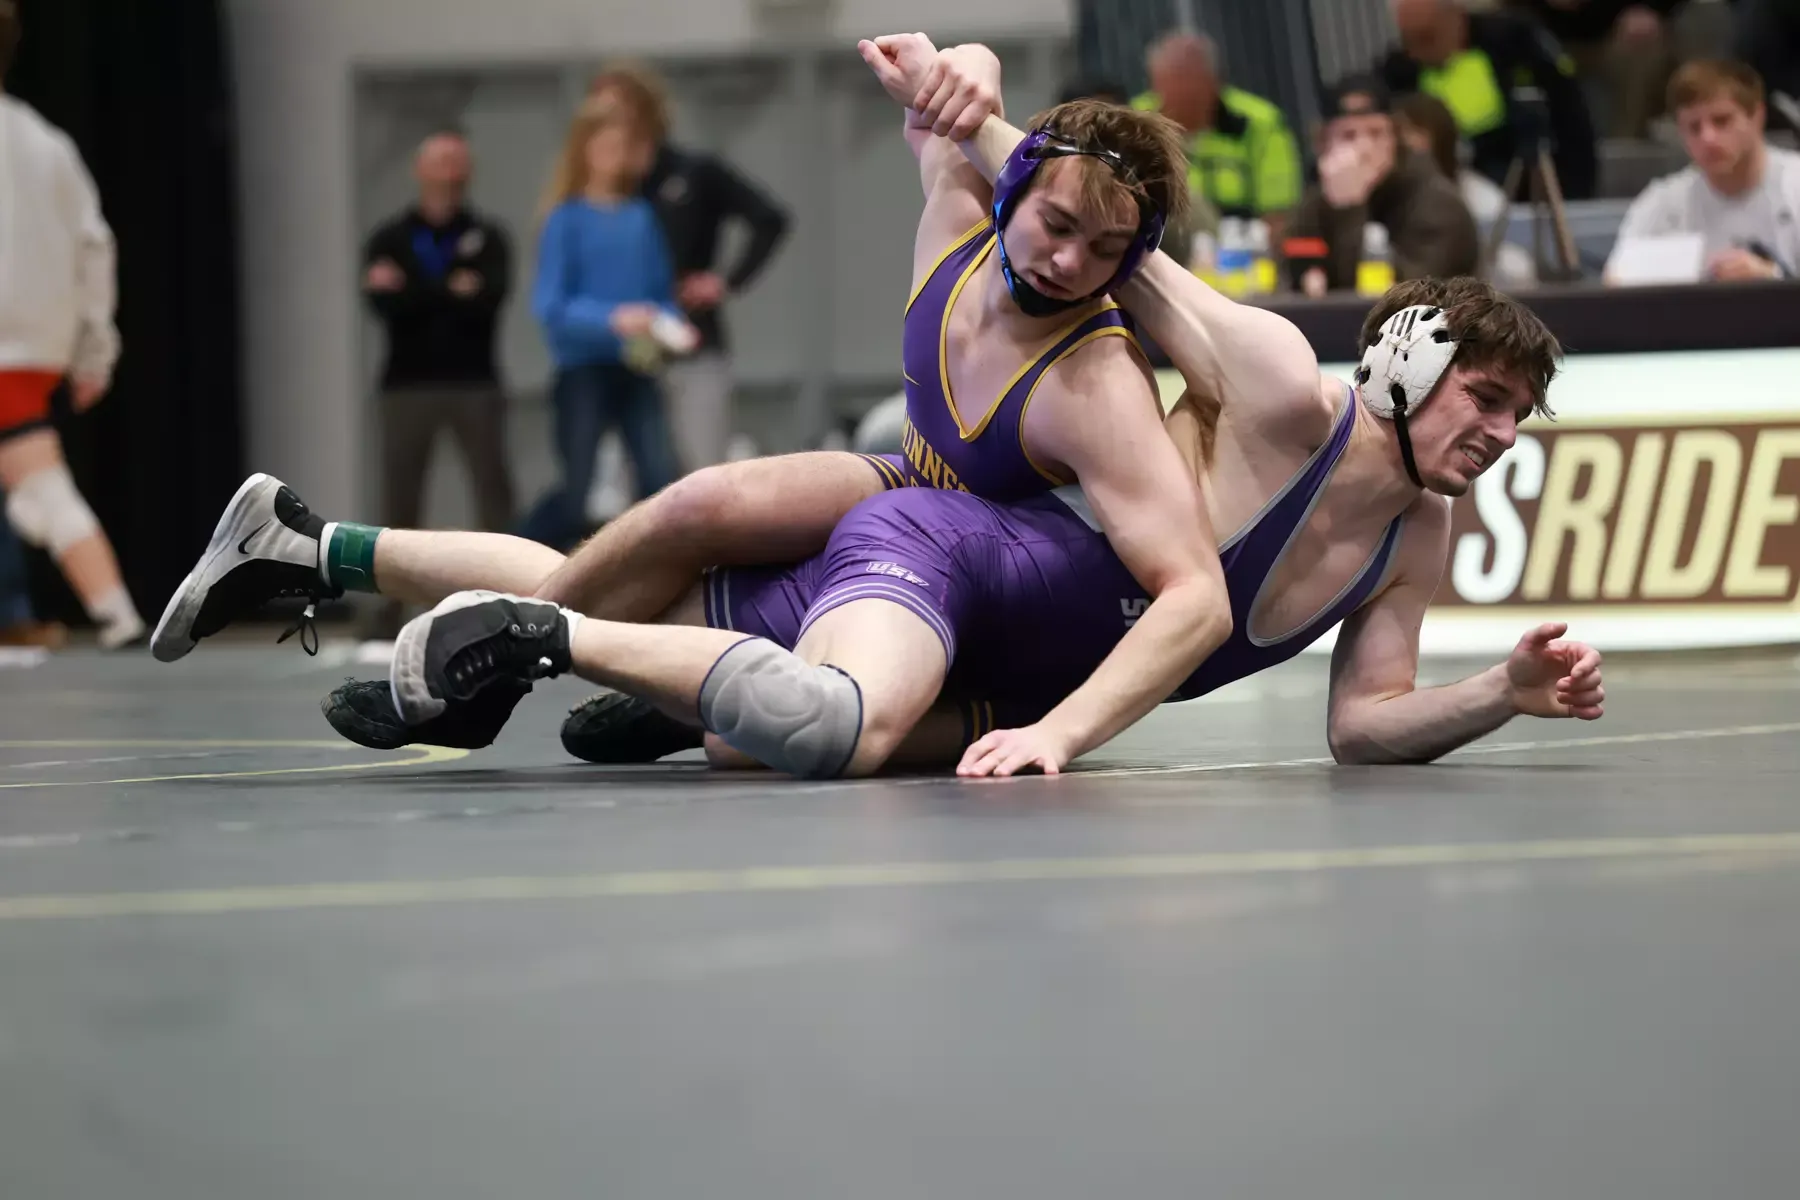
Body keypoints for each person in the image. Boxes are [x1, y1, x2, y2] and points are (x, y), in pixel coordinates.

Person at [154, 35, 1236, 779]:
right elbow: (943, 91)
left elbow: (1194, 597)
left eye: (1106, 253)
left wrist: (1064, 730)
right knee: (683, 512)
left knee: (698, 656)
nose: (1065, 262)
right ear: (1014, 188)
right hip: (910, 490)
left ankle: (453, 636)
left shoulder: (1098, 388)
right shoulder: (961, 205)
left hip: (976, 568)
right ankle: (317, 555)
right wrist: (965, 66)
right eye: (1054, 223)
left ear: (1135, 265)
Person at [378, 271, 1602, 778]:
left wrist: (1499, 691)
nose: (1499, 432)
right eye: (1485, 398)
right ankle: (546, 636)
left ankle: (316, 549)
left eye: (1518, 416)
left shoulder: (1413, 541)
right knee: (829, 722)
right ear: (1407, 362)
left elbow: (1363, 729)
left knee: (754, 739)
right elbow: (1125, 239)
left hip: (1001, 673)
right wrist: (969, 118)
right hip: (956, 558)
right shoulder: (1282, 395)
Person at [0, 0, 143, 650]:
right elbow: (95, 247)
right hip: (34, 348)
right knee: (38, 479)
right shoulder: (48, 143)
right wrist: (94, 353)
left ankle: (115, 612)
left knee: (38, 482)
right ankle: (116, 614)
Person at [587, 62, 792, 476]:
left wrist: (725, 281)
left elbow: (770, 218)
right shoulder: (604, 190)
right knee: (633, 474)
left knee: (703, 467)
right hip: (629, 348)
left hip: (692, 337)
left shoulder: (694, 172)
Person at [516, 94, 697, 552]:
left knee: (659, 478)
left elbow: (659, 294)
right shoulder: (565, 220)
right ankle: (518, 557)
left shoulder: (640, 218)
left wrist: (671, 326)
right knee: (578, 490)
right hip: (584, 372)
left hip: (638, 367)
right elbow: (551, 306)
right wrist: (613, 318)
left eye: (622, 145)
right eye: (606, 144)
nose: (616, 155)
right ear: (586, 150)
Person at [360, 129, 515, 634]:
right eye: (438, 161)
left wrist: (415, 291)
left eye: (456, 162)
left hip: (474, 382)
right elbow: (384, 306)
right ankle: (389, 610)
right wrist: (450, 289)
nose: (448, 171)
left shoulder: (488, 236)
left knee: (492, 492)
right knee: (398, 501)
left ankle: (510, 602)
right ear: (420, 169)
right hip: (406, 385)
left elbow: (487, 298)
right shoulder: (389, 237)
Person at [1379, 0, 1600, 202]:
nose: (1417, 52)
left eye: (1427, 37)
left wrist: (1575, 197)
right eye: (1408, 41)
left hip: (1518, 183)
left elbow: (1572, 120)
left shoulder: (1513, 42)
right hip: (1439, 190)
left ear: (1456, 18)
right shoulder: (1400, 71)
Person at [1603, 59, 1800, 284]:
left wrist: (1772, 279)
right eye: (1694, 127)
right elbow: (1614, 283)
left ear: (1756, 117)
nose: (1708, 138)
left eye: (1721, 121)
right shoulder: (1663, 202)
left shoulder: (1795, 184)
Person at [1287, 74, 1480, 295]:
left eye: (1376, 133)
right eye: (1348, 136)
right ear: (1322, 145)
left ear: (1396, 139)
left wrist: (1350, 209)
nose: (1364, 148)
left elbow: (1400, 300)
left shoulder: (1437, 202)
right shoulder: (1317, 201)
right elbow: (1297, 273)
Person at [1131, 31, 1304, 236]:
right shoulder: (1136, 122)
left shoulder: (1259, 124)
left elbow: (1279, 215)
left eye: (1189, 91)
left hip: (1242, 249)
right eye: (1165, 88)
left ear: (1214, 83)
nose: (1176, 101)